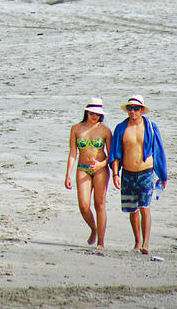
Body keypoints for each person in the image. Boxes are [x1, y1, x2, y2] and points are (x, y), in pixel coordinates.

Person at [108, 95, 167, 254]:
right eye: (130, 108)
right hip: (127, 174)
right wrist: (115, 174)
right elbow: (115, 153)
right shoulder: (121, 128)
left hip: (146, 173)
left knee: (144, 208)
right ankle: (137, 242)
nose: (132, 111)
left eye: (136, 108)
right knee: (132, 211)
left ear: (142, 110)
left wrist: (162, 175)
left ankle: (146, 243)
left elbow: (159, 152)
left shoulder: (151, 127)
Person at [64, 98, 112, 249]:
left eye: (97, 114)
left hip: (100, 169)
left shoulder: (105, 131)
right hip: (82, 168)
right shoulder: (76, 129)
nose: (94, 116)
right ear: (87, 112)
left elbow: (111, 155)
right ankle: (94, 228)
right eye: (92, 113)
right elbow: (73, 153)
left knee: (100, 204)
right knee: (84, 205)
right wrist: (68, 174)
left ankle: (101, 242)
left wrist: (101, 164)